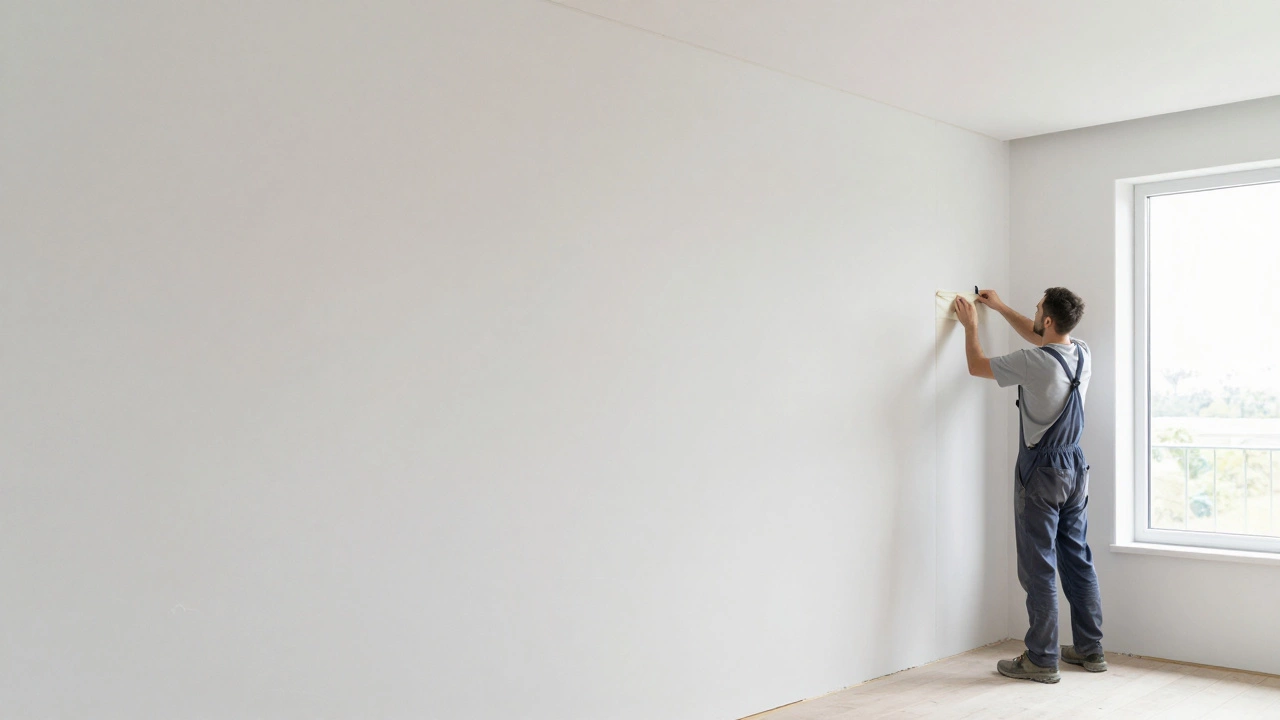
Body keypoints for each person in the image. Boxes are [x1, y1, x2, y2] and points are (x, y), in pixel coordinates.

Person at [954, 288, 1106, 684]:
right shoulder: (1082, 353)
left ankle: (1041, 658)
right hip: (1075, 466)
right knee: (1077, 558)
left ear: (1049, 320)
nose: (1034, 313)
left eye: (1038, 309)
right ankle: (1091, 649)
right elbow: (1041, 336)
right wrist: (1001, 307)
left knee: (1038, 565)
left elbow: (976, 366)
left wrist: (971, 326)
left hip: (1041, 471)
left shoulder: (1033, 362)